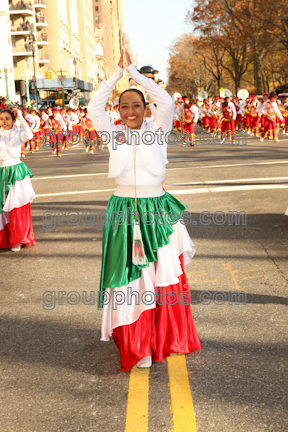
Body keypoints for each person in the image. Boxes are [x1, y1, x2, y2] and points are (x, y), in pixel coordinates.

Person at [88, 50, 202, 372]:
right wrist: (115, 75)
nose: (131, 110)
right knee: (132, 281)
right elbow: (93, 108)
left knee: (161, 278)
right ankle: (139, 346)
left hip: (157, 211)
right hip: (124, 212)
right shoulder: (113, 134)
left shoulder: (158, 129)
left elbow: (166, 101)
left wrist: (135, 74)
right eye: (124, 106)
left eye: (136, 104)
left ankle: (165, 338)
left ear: (145, 108)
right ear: (119, 111)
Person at [0, 108, 36, 251]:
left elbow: (29, 134)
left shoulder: (18, 133)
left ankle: (18, 238)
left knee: (16, 205)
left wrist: (20, 116)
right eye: (1, 119)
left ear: (13, 120)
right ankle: (6, 237)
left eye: (7, 118)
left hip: (15, 171)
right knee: (3, 207)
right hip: (1, 171)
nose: (4, 122)